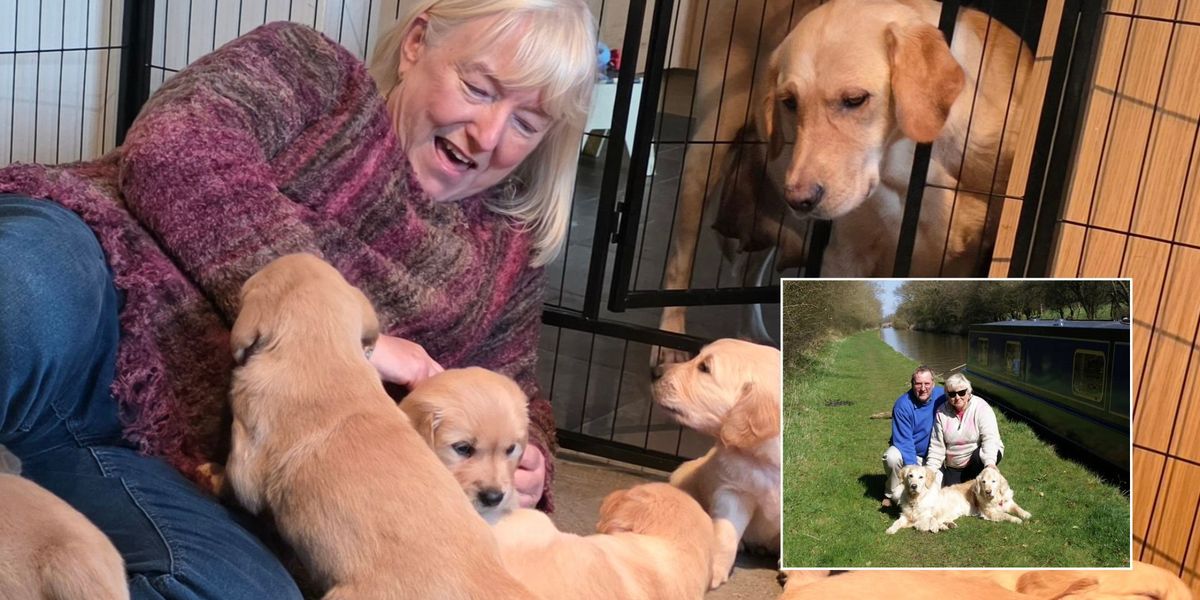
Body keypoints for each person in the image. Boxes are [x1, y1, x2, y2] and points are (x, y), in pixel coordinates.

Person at [0, 0, 596, 597]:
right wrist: (341, 334)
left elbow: (516, 392)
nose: (487, 133)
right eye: (478, 87)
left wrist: (528, 464)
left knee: (239, 590)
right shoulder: (313, 70)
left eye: (526, 123)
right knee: (22, 282)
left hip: (198, 464)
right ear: (417, 43)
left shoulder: (506, 255)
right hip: (103, 295)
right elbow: (174, 147)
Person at [881, 366, 946, 507]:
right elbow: (904, 442)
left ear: (933, 384)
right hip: (909, 453)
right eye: (918, 384)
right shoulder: (902, 405)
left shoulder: (942, 396)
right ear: (912, 384)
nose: (923, 388)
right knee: (891, 457)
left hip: (933, 454)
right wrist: (915, 469)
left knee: (936, 489)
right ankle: (891, 494)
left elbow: (961, 397)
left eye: (927, 384)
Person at [925, 373, 1005, 485]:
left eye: (961, 392)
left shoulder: (982, 408)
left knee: (978, 488)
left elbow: (990, 439)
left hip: (978, 459)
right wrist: (929, 471)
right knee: (952, 497)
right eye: (952, 394)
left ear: (969, 392)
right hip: (955, 464)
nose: (957, 397)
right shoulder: (941, 412)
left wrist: (989, 463)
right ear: (947, 396)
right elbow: (937, 446)